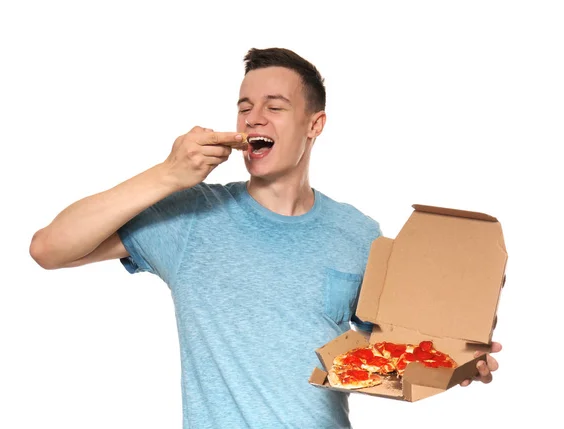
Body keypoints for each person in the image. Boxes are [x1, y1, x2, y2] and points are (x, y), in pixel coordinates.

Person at [30, 47, 501, 428]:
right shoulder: (193, 216)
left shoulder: (358, 233)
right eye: (244, 107)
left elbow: (384, 362)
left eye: (275, 107)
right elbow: (49, 249)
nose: (254, 118)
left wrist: (451, 363)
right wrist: (168, 175)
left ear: (314, 125)